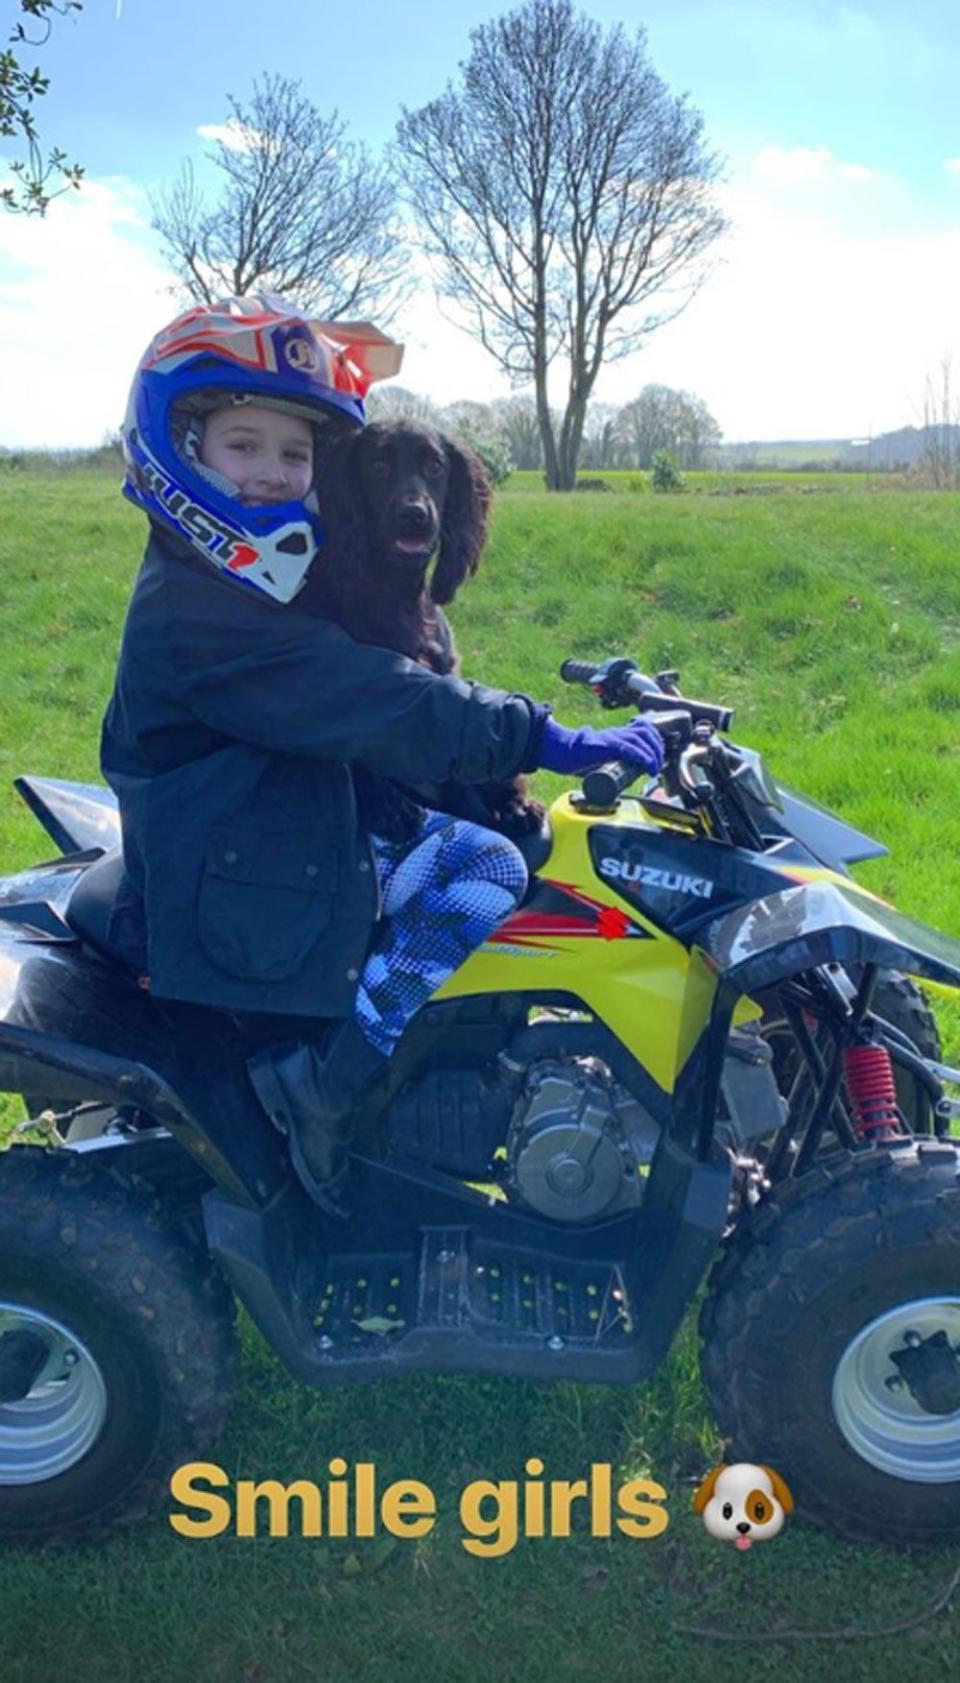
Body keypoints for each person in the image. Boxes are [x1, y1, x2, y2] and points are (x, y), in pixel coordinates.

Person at [102, 293, 665, 1215]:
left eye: (297, 454)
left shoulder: (228, 573)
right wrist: (548, 737)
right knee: (484, 865)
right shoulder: (197, 611)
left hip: (269, 829)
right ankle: (328, 1090)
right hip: (241, 869)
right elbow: (376, 696)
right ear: (183, 451)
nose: (275, 475)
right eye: (246, 447)